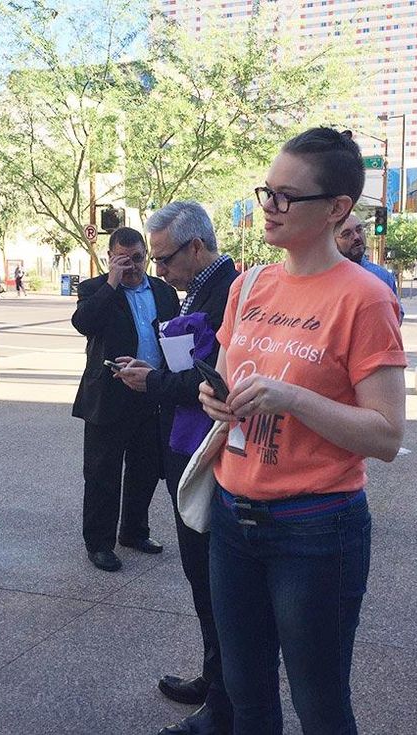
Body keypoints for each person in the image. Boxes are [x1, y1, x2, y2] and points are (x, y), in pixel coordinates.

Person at [197, 127, 406, 734]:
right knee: (246, 691)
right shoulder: (249, 285)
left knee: (319, 702)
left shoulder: (365, 298)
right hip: (233, 513)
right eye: (267, 191)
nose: (270, 206)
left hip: (315, 527)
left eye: (288, 196)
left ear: (337, 208)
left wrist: (292, 398)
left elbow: (386, 436)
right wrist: (216, 398)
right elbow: (230, 379)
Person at [114, 202, 239, 735]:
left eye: (163, 259)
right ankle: (216, 681)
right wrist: (154, 372)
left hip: (209, 454)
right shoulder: (202, 289)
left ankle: (226, 700)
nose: (158, 270)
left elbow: (215, 383)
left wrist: (153, 381)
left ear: (196, 246)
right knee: (202, 577)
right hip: (188, 447)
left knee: (216, 583)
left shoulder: (230, 292)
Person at [71, 227, 179, 572]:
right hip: (108, 395)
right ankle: (99, 544)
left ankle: (133, 531)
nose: (132, 266)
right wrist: (112, 283)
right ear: (110, 258)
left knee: (144, 471)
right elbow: (84, 323)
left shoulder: (163, 291)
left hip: (151, 392)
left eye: (137, 258)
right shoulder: (95, 289)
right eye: (123, 259)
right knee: (102, 473)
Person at [335, 211, 403, 323]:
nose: (356, 237)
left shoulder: (382, 276)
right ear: (333, 242)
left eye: (359, 230)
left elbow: (397, 316)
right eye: (347, 234)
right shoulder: (326, 277)